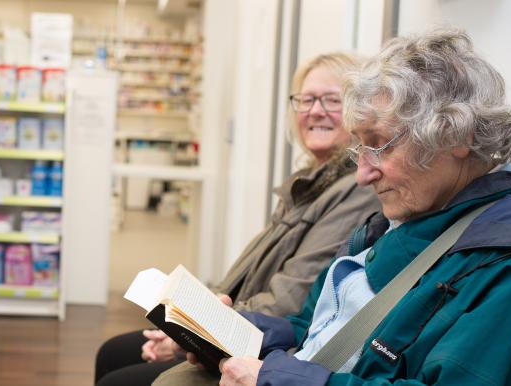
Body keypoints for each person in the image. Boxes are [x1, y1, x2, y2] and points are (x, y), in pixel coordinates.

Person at [154, 27, 511, 386]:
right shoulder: (403, 222)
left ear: (459, 136)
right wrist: (241, 333)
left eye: (380, 145)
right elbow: (318, 331)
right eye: (360, 147)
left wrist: (279, 378)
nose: (363, 173)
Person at [94, 53, 382, 385]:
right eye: (306, 100)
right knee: (113, 352)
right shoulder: (310, 181)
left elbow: (289, 301)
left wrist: (192, 333)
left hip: (261, 348)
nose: (316, 110)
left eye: (333, 100)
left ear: (357, 111)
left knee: (117, 373)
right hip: (238, 327)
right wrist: (186, 326)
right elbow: (244, 278)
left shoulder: (354, 189)